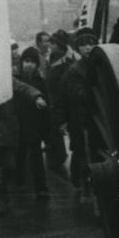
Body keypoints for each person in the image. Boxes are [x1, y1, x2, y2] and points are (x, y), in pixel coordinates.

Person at [0, 73, 47, 217]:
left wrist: (37, 96)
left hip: (7, 131)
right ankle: (1, 199)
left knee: (9, 165)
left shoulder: (6, 79)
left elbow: (24, 87)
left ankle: (4, 190)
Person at [57, 28, 97, 203]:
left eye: (91, 44)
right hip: (81, 121)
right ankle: (85, 188)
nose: (88, 48)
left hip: (97, 119)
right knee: (83, 154)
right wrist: (62, 121)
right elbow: (72, 96)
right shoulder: (74, 71)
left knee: (92, 154)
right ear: (78, 48)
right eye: (84, 45)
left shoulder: (99, 65)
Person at [15, 46, 49, 200]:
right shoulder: (16, 79)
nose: (28, 65)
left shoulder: (40, 81)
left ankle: (41, 188)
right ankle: (19, 181)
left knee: (36, 158)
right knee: (19, 156)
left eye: (32, 62)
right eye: (26, 61)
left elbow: (47, 103)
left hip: (34, 124)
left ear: (37, 64)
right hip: (18, 123)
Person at [44, 30, 78, 176]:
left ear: (59, 44)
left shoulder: (70, 61)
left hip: (66, 103)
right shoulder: (50, 58)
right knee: (53, 132)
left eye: (52, 43)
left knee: (72, 135)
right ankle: (57, 159)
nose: (49, 45)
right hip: (52, 101)